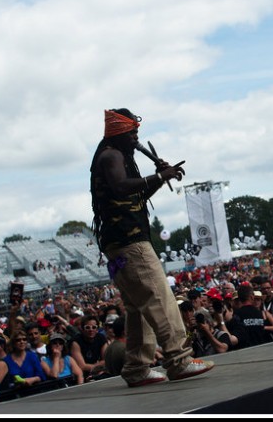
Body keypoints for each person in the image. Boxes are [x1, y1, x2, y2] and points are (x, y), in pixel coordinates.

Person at [90, 108, 213, 387]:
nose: (136, 138)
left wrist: (161, 177)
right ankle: (179, 360)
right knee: (159, 298)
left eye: (137, 133)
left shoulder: (115, 156)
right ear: (119, 132)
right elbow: (122, 186)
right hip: (129, 242)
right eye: (132, 132)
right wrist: (158, 177)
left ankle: (137, 367)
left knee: (138, 307)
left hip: (119, 243)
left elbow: (136, 194)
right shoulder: (111, 156)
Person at [70, 315, 108, 380]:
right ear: (82, 329)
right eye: (87, 327)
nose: (91, 330)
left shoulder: (101, 338)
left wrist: (97, 367)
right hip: (82, 376)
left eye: (94, 327)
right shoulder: (76, 342)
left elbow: (107, 360)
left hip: (99, 372)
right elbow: (82, 366)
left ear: (97, 329)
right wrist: (99, 366)